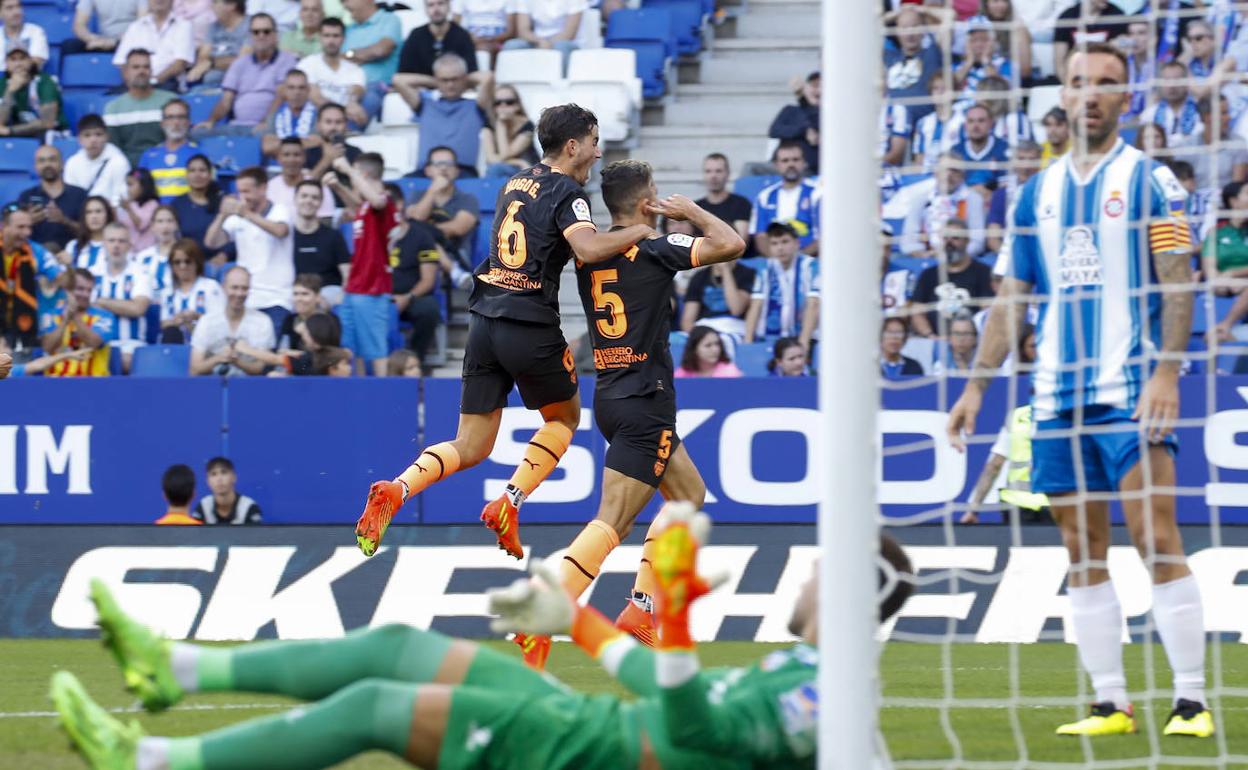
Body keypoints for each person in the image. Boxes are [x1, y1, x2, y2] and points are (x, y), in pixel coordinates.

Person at [54, 508, 914, 770]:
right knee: (393, 645)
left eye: (821, 568)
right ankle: (174, 667)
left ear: (849, 589)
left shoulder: (826, 702)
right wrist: (571, 620)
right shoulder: (815, 672)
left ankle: (149, 763)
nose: (804, 576)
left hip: (595, 758)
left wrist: (683, 620)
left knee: (377, 708)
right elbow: (661, 694)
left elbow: (693, 729)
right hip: (603, 728)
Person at [947, 42, 1214, 739]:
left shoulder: (1156, 182)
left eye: (1105, 83)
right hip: (1058, 398)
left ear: (1128, 97)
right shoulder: (1036, 195)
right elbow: (1010, 301)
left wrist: (1167, 370)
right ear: (1060, 97)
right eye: (1076, 83)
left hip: (1130, 388)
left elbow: (1179, 276)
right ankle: (1110, 704)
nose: (1088, 93)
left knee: (1156, 536)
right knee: (1082, 549)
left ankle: (1190, 700)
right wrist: (977, 389)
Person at [353, 105, 654, 573]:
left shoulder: (514, 182)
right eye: (594, 141)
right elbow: (587, 248)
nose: (598, 152)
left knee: (470, 445)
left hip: (483, 322)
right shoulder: (570, 194)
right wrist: (639, 231)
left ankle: (397, 488)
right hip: (529, 324)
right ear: (573, 146)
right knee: (565, 418)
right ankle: (510, 501)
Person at [490, 165, 745, 667]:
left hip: (612, 392)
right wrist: (689, 211)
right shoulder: (654, 248)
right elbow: (732, 243)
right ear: (647, 200)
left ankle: (641, 609)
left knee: (689, 496)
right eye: (654, 193)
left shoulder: (593, 254)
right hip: (644, 399)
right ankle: (545, 615)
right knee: (612, 522)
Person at [326, 151, 400, 376]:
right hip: (355, 288)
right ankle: (359, 392)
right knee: (353, 350)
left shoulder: (383, 201)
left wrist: (347, 169)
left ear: (364, 174)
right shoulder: (365, 208)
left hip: (372, 289)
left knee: (375, 350)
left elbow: (375, 200)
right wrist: (338, 186)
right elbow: (358, 205)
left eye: (356, 175)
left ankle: (384, 399)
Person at [204, 165, 294, 333]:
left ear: (263, 188)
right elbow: (211, 242)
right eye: (240, 192)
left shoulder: (280, 210)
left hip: (277, 298)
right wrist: (222, 215)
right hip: (246, 297)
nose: (242, 197)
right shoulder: (238, 217)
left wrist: (246, 214)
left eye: (247, 191)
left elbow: (280, 231)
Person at [194, 13, 299, 136]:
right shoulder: (239, 63)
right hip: (237, 124)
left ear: (276, 35)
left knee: (264, 135)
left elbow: (281, 96)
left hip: (269, 126)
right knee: (198, 133)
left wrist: (267, 122)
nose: (261, 36)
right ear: (250, 36)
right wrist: (211, 121)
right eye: (256, 32)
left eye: (266, 31)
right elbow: (226, 101)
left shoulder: (286, 60)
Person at [393, 52, 492, 173]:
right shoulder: (425, 105)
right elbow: (398, 80)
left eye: (455, 79)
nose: (450, 85)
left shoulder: (475, 106)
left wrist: (464, 80)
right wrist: (435, 81)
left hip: (463, 172)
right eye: (444, 80)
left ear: (464, 78)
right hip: (426, 171)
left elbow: (488, 78)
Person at [960, 402, 1051, 526]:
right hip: (1056, 503)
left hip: (1016, 505)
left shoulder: (1017, 416)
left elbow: (994, 465)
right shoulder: (1070, 415)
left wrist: (973, 510)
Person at [908, 217, 994, 338]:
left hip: (972, 341)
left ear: (967, 241)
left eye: (955, 238)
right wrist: (931, 336)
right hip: (934, 341)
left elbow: (987, 312)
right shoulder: (928, 274)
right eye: (946, 238)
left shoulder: (983, 273)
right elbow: (917, 311)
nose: (949, 243)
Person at [189, 265, 277, 375]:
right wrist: (219, 358)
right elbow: (194, 369)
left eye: (244, 288)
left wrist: (236, 361)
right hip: (213, 385)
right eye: (234, 287)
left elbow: (260, 369)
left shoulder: (262, 321)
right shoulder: (207, 321)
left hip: (249, 387)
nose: (239, 293)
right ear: (223, 288)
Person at [91, 221, 153, 371]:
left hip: (131, 344)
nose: (116, 245)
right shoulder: (92, 273)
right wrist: (123, 306)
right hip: (96, 342)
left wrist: (101, 302)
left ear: (129, 245)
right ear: (103, 244)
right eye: (111, 241)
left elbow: (138, 308)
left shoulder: (141, 273)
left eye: (121, 241)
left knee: (124, 361)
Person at [743, 222, 818, 346]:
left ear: (797, 243)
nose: (780, 248)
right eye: (774, 243)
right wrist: (747, 341)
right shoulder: (765, 267)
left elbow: (813, 305)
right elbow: (756, 305)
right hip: (770, 338)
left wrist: (803, 344)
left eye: (785, 242)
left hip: (803, 337)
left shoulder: (811, 266)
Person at [406, 145, 480, 263]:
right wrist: (432, 191)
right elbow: (415, 218)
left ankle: (455, 273)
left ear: (457, 171)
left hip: (454, 255)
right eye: (438, 164)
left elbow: (458, 228)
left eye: (449, 164)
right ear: (428, 170)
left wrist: (423, 232)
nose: (444, 168)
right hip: (418, 257)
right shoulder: (416, 196)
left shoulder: (468, 199)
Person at [900, 156, 986, 258]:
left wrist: (952, 255)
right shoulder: (921, 198)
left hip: (961, 257)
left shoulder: (973, 199)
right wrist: (922, 254)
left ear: (963, 176)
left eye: (954, 170)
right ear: (935, 173)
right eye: (944, 169)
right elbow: (908, 238)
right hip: (926, 256)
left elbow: (977, 241)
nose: (948, 174)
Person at [105, 49, 178, 168]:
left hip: (166, 167)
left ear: (151, 71)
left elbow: (179, 142)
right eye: (136, 67)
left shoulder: (170, 101)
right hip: (128, 172)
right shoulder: (113, 108)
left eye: (146, 67)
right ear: (126, 72)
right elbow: (113, 151)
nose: (141, 71)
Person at [39, 267, 116, 377]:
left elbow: (94, 343)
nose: (86, 294)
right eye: (80, 289)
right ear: (68, 290)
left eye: (89, 290)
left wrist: (74, 315)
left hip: (93, 384)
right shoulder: (51, 315)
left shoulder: (104, 316)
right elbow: (48, 348)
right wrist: (65, 320)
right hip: (55, 383)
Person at [749, 140, 819, 257]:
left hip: (812, 263)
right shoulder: (765, 196)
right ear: (777, 165)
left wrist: (797, 261)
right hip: (776, 263)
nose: (790, 164)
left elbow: (825, 236)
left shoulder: (818, 193)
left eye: (795, 160)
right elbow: (760, 236)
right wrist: (778, 261)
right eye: (785, 161)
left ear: (804, 163)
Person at [390, 208, 443, 361]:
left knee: (428, 309)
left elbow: (428, 280)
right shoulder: (374, 235)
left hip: (412, 296)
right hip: (379, 296)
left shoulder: (422, 236)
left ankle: (414, 361)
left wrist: (407, 297)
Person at [299, 16, 368, 128]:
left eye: (336, 36)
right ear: (320, 37)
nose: (331, 41)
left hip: (345, 122)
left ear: (343, 38)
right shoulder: (307, 64)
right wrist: (345, 110)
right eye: (327, 36)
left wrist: (353, 103)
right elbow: (316, 98)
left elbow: (357, 92)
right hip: (313, 121)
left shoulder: (355, 69)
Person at [884, 4, 947, 124]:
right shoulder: (889, 57)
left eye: (915, 27)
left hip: (923, 127)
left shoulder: (932, 54)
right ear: (896, 31)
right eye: (904, 28)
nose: (910, 33)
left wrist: (922, 9)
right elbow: (869, 27)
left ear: (923, 30)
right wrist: (898, 13)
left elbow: (949, 17)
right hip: (893, 127)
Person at [18, 145, 86, 254]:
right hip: (34, 258)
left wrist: (64, 221)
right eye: (42, 161)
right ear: (35, 166)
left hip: (72, 256)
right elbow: (14, 234)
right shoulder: (26, 196)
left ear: (62, 164)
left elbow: (90, 232)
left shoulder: (79, 194)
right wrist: (28, 221)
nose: (47, 164)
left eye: (52, 159)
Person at [112, 0, 195, 90]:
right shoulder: (136, 27)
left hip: (168, 84)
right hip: (136, 84)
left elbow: (180, 64)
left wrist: (153, 81)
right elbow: (122, 61)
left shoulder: (184, 26)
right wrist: (134, 83)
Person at [341, 0, 403, 120]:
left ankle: (346, 133)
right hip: (347, 87)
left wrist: (352, 54)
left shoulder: (389, 20)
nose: (344, 5)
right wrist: (365, 55)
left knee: (368, 97)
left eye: (347, 0)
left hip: (377, 86)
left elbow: (381, 50)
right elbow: (340, 59)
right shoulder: (349, 29)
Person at [289, 179, 348, 301]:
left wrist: (341, 298)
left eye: (315, 198)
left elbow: (348, 274)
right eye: (304, 196)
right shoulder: (286, 236)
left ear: (321, 203)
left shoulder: (334, 236)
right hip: (294, 292)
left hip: (327, 293)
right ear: (295, 199)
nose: (309, 201)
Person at [159, 237, 224, 342]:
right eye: (177, 262)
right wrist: (177, 320)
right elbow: (164, 323)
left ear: (197, 262)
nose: (182, 266)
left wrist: (197, 317)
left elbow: (220, 322)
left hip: (207, 344)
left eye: (187, 261)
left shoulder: (211, 287)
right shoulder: (167, 292)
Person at [398, 0, 480, 81]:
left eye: (440, 3)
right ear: (425, 9)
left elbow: (471, 70)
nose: (436, 9)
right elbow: (404, 70)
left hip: (456, 85)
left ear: (449, 6)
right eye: (431, 5)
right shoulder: (416, 35)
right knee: (398, 80)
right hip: (423, 87)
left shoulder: (462, 35)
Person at [64, 114, 132, 206]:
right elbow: (70, 197)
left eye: (98, 134)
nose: (93, 140)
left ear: (106, 137)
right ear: (79, 139)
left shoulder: (119, 161)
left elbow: (122, 197)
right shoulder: (72, 163)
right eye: (87, 135)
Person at [139, 99, 200, 202]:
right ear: (162, 123)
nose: (176, 122)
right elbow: (139, 185)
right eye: (170, 117)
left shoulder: (199, 154)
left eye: (181, 117)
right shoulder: (148, 156)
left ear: (188, 122)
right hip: (156, 215)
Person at [1051, 0, 1128, 82]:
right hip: (1076, 75)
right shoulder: (1067, 16)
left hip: (1105, 75)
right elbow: (1059, 61)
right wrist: (1069, 86)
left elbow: (1122, 57)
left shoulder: (1117, 15)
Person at [679, 258, 754, 339]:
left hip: (733, 328)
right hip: (704, 328)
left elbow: (736, 309)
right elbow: (687, 320)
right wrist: (697, 339)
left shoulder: (748, 273)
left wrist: (725, 270)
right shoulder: (699, 277)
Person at [1140, 61, 1202, 150]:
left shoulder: (1200, 111)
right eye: (1166, 80)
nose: (1171, 85)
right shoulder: (1149, 115)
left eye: (1177, 80)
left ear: (1186, 83)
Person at [0, 47, 61, 137]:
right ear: (6, 64)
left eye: (22, 58)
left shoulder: (44, 81)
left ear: (30, 61)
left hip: (48, 133)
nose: (18, 64)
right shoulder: (3, 83)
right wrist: (10, 91)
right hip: (17, 132)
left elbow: (48, 122)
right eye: (13, 59)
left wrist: (10, 131)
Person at [186, 0, 250, 86]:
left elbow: (242, 62)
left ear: (231, 5)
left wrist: (211, 63)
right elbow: (202, 57)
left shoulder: (252, 26)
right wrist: (208, 63)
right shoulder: (213, 26)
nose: (211, 6)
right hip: (208, 83)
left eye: (215, 2)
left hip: (237, 83)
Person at [501, 0, 583, 66]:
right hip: (536, 41)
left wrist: (548, 43)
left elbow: (569, 33)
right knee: (512, 46)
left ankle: (563, 83)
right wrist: (540, 41)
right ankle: (510, 85)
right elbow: (523, 30)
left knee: (561, 47)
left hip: (565, 42)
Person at [266, 137, 332, 219]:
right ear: (278, 159)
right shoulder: (269, 187)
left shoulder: (319, 187)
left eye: (296, 155)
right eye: (286, 155)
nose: (291, 159)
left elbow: (326, 220)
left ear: (304, 158)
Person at [768, 71, 819, 174]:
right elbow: (774, 130)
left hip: (808, 167)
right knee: (750, 168)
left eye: (822, 86)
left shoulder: (831, 116)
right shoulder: (790, 110)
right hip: (781, 164)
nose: (818, 90)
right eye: (814, 86)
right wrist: (804, 131)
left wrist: (803, 99)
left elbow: (816, 123)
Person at [169, 154, 223, 251]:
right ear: (186, 175)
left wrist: (225, 254)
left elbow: (234, 234)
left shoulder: (223, 202)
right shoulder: (177, 204)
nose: (197, 175)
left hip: (221, 262)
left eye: (202, 170)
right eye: (192, 171)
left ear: (210, 174)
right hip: (188, 260)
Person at [481, 85, 538, 177]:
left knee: (496, 169)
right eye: (498, 103)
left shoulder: (526, 125)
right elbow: (490, 159)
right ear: (493, 107)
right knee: (495, 169)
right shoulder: (488, 126)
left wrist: (501, 125)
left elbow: (506, 154)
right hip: (517, 166)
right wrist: (519, 162)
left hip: (530, 172)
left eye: (509, 102)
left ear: (517, 106)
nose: (503, 106)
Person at [694, 152, 751, 243]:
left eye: (718, 171)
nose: (713, 176)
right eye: (708, 171)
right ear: (703, 174)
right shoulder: (695, 207)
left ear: (728, 174)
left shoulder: (741, 204)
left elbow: (740, 241)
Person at [260, 68, 318, 157]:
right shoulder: (274, 116)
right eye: (291, 88)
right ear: (284, 90)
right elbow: (267, 147)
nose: (297, 92)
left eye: (301, 88)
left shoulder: (319, 115)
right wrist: (302, 142)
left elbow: (316, 144)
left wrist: (280, 142)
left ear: (308, 90)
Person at [952, 102, 1009, 193]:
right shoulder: (955, 152)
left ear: (991, 124)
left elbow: (1007, 185)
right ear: (965, 125)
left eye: (981, 121)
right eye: (971, 121)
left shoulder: (1005, 150)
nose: (975, 126)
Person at [192, 456, 263, 523]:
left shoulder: (249, 507)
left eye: (224, 472)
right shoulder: (203, 507)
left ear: (234, 477)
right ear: (208, 481)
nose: (219, 478)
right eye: (213, 474)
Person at [134, 204, 180, 295]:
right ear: (152, 226)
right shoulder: (142, 257)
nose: (165, 226)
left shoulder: (186, 255)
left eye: (169, 221)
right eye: (160, 221)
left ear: (176, 225)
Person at [68, 0, 144, 55]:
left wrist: (114, 42)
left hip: (130, 40)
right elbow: (79, 25)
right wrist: (93, 39)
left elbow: (142, 25)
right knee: (69, 46)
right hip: (102, 40)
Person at [61, 196, 114, 272]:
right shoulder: (73, 246)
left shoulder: (117, 245)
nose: (94, 216)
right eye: (89, 212)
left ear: (107, 215)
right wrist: (69, 265)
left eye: (98, 211)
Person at [117, 168, 160, 253]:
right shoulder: (131, 204)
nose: (128, 189)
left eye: (131, 185)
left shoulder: (153, 204)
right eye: (127, 185)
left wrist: (128, 209)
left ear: (143, 185)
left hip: (147, 252)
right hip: (129, 252)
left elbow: (141, 225)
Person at [675, 324, 742, 378]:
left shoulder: (730, 372)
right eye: (708, 345)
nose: (715, 349)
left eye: (717, 344)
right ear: (694, 349)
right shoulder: (682, 374)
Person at [0, 0, 47, 71]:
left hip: (30, 79)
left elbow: (36, 63)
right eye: (9, 8)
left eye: (18, 6)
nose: (16, 12)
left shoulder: (35, 31)